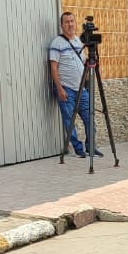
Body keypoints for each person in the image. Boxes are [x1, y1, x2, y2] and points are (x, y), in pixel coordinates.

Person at [49, 11, 101, 159]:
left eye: (72, 21)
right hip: (66, 88)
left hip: (81, 89)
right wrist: (59, 88)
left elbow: (83, 61)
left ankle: (91, 147)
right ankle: (78, 149)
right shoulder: (57, 43)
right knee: (69, 121)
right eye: (67, 22)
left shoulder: (79, 41)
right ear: (62, 25)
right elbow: (53, 67)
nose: (70, 24)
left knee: (89, 117)